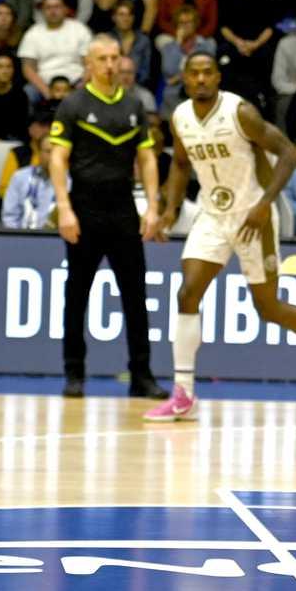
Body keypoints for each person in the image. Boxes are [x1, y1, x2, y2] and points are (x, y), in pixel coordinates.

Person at [146, 52, 296, 422]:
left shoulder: (240, 112)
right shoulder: (181, 117)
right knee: (187, 292)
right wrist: (169, 208)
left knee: (268, 308)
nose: (201, 79)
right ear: (184, 79)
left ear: (218, 77)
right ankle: (183, 392)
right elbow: (182, 165)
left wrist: (266, 202)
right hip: (213, 214)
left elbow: (287, 153)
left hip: (254, 216)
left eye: (207, 72)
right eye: (194, 74)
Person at [47, 35, 168, 401]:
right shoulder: (73, 104)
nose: (111, 65)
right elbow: (57, 158)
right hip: (84, 206)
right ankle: (74, 373)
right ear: (89, 64)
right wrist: (64, 208)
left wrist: (152, 205)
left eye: (116, 58)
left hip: (122, 209)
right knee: (76, 295)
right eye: (103, 59)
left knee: (135, 296)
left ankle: (142, 376)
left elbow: (146, 158)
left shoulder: (134, 105)